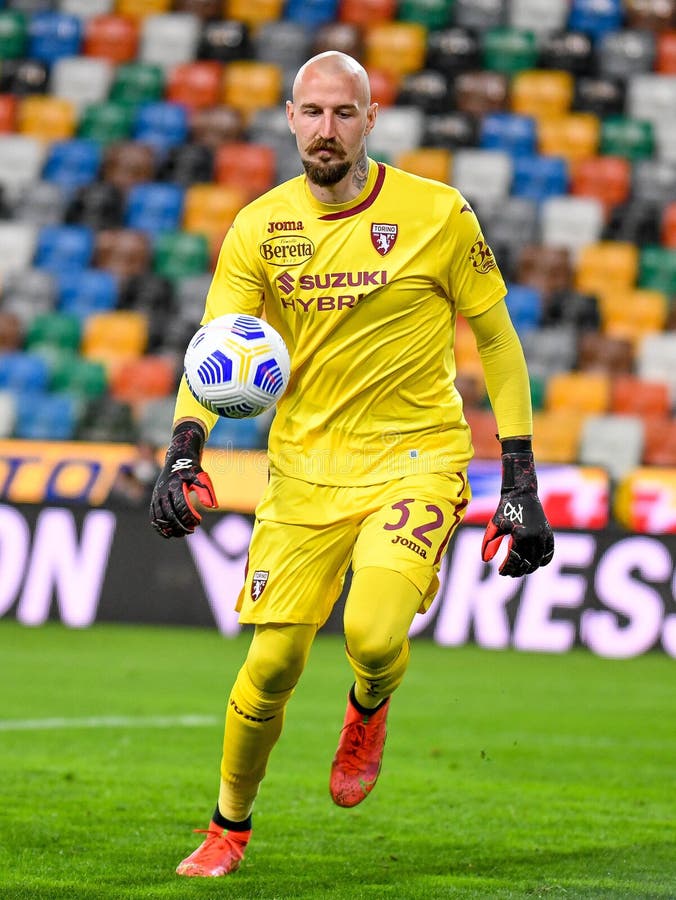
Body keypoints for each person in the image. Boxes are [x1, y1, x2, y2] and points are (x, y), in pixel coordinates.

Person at [150, 51, 554, 879]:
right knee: (270, 665)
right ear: (290, 118)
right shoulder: (259, 227)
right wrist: (183, 450)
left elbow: (499, 343)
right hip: (301, 469)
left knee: (372, 635)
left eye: (344, 113)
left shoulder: (437, 214)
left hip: (416, 457)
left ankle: (368, 704)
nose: (326, 129)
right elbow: (215, 353)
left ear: (371, 120)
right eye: (312, 112)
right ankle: (228, 827)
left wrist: (519, 477)